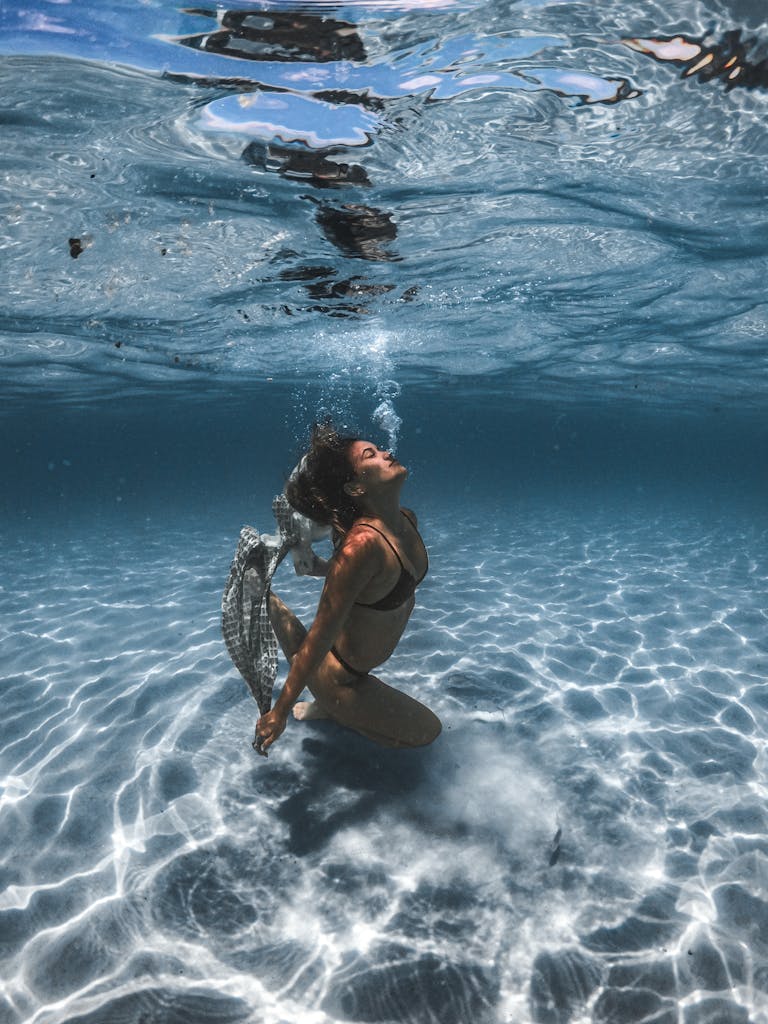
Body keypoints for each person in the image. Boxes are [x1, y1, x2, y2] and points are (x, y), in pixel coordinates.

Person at [255, 421, 441, 753]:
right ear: (356, 487)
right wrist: (279, 713)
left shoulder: (406, 518)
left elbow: (368, 578)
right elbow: (317, 640)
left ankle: (331, 707)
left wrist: (323, 568)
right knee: (427, 732)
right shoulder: (361, 546)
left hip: (354, 667)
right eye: (372, 454)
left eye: (380, 449)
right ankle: (333, 706)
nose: (387, 453)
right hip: (338, 677)